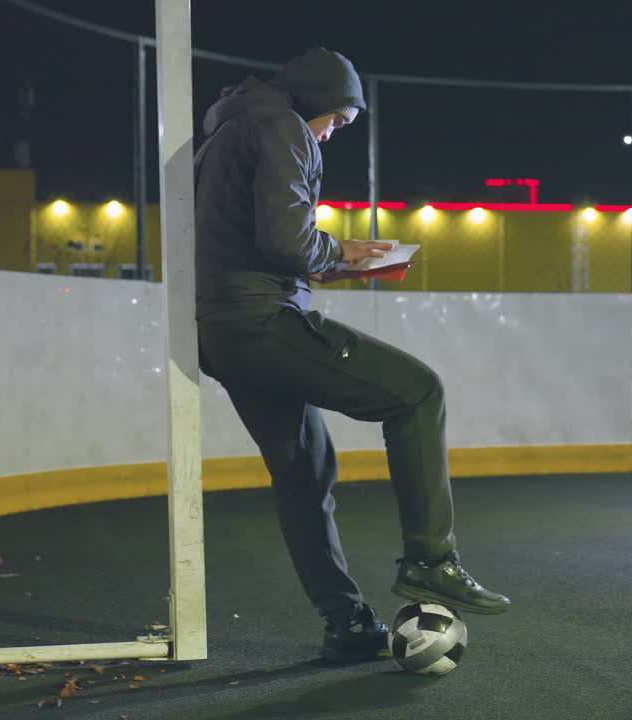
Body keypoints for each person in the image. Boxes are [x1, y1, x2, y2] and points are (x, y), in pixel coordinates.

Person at [193, 47, 511, 665]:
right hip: (263, 321)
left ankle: (348, 625)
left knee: (304, 476)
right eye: (337, 120)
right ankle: (431, 560)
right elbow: (287, 243)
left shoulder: (231, 127)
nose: (331, 134)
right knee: (418, 392)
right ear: (317, 100)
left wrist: (340, 260)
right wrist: (343, 252)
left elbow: (254, 240)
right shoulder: (284, 126)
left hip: (225, 331)